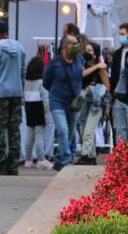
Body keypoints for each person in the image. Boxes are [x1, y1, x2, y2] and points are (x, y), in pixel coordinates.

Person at [0, 20, 26, 176]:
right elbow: (23, 73)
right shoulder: (20, 48)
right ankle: (13, 165)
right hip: (16, 93)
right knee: (14, 130)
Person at [43, 35, 84, 171]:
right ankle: (66, 160)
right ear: (65, 46)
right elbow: (46, 82)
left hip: (74, 102)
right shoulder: (54, 63)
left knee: (69, 133)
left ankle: (60, 160)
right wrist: (56, 92)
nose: (77, 45)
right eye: (74, 43)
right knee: (62, 130)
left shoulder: (80, 60)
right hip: (57, 101)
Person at [77, 42, 110, 165]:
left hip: (97, 102)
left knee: (89, 129)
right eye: (85, 50)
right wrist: (96, 67)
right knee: (81, 126)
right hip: (83, 100)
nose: (86, 53)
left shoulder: (101, 68)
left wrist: (107, 106)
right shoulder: (83, 64)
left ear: (95, 53)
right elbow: (81, 74)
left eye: (90, 51)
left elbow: (107, 86)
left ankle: (85, 155)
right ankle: (91, 156)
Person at [23, 57, 52, 170]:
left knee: (29, 136)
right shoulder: (41, 82)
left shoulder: (26, 82)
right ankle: (41, 159)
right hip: (39, 109)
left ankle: (28, 159)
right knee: (39, 135)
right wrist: (48, 115)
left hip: (29, 109)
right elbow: (46, 100)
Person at [110, 23, 128, 144]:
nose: (120, 37)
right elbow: (114, 76)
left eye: (122, 34)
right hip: (118, 95)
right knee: (119, 128)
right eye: (119, 34)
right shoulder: (117, 54)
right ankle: (121, 157)